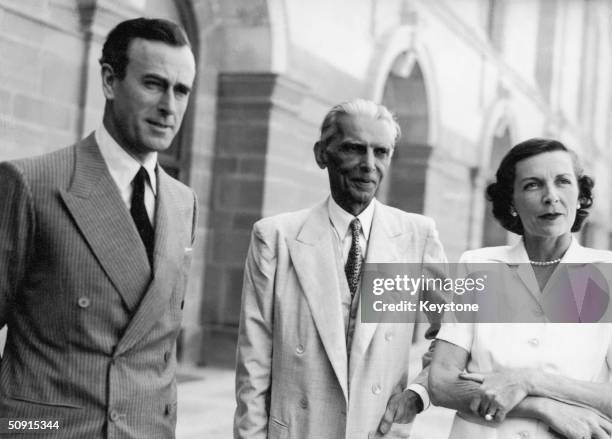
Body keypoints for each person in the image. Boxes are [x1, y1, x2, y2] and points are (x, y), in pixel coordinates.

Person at [0, 18, 197, 438]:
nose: (170, 106)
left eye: (181, 91)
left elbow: (158, 344)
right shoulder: (33, 184)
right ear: (109, 80)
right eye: (153, 84)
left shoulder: (183, 202)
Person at [234, 99, 447, 438]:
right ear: (322, 154)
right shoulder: (276, 237)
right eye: (353, 149)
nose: (368, 165)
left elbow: (455, 328)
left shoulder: (417, 236)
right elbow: (253, 363)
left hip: (378, 430)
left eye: (381, 152)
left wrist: (419, 394)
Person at [429, 138, 612, 439]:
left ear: (580, 196)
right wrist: (542, 407)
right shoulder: (477, 264)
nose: (551, 196)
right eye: (532, 185)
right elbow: (441, 383)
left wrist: (531, 380)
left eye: (563, 182)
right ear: (511, 202)